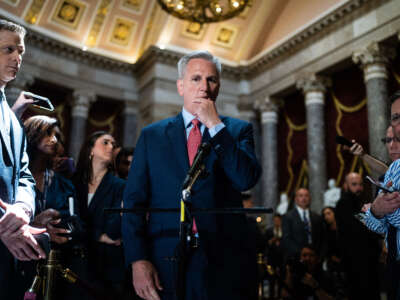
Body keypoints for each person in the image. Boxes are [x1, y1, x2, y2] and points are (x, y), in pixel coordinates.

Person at [122, 50, 262, 300]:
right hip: (165, 258)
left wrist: (216, 127)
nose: (204, 87)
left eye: (211, 80)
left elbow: (245, 179)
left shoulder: (238, 131)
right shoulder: (152, 136)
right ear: (181, 86)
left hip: (224, 259)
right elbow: (133, 202)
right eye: (196, 79)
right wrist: (137, 259)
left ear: (218, 86)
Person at [0, 19, 46, 299]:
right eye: (8, 49)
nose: (17, 58)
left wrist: (22, 209)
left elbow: (25, 175)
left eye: (21, 52)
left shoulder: (13, 118)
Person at [73, 131, 128, 299]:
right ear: (90, 149)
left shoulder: (121, 186)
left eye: (113, 144)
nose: (111, 147)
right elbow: (68, 225)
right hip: (74, 266)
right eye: (105, 142)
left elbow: (113, 232)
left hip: (106, 270)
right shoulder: (73, 183)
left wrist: (85, 233)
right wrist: (98, 235)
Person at [365, 91, 400, 300]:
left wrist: (384, 211)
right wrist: (376, 212)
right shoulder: (394, 169)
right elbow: (376, 226)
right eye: (395, 118)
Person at [335, 172, 381, 300]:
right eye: (354, 184)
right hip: (355, 260)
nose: (358, 188)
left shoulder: (361, 201)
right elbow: (358, 229)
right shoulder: (344, 203)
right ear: (345, 186)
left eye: (360, 184)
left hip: (368, 258)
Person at [281, 188, 325, 260]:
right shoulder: (287, 217)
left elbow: (322, 239)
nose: (304, 198)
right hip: (295, 258)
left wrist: (319, 256)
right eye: (301, 196)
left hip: (315, 258)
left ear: (310, 198)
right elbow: (286, 239)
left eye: (306, 196)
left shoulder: (317, 217)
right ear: (296, 199)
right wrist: (301, 251)